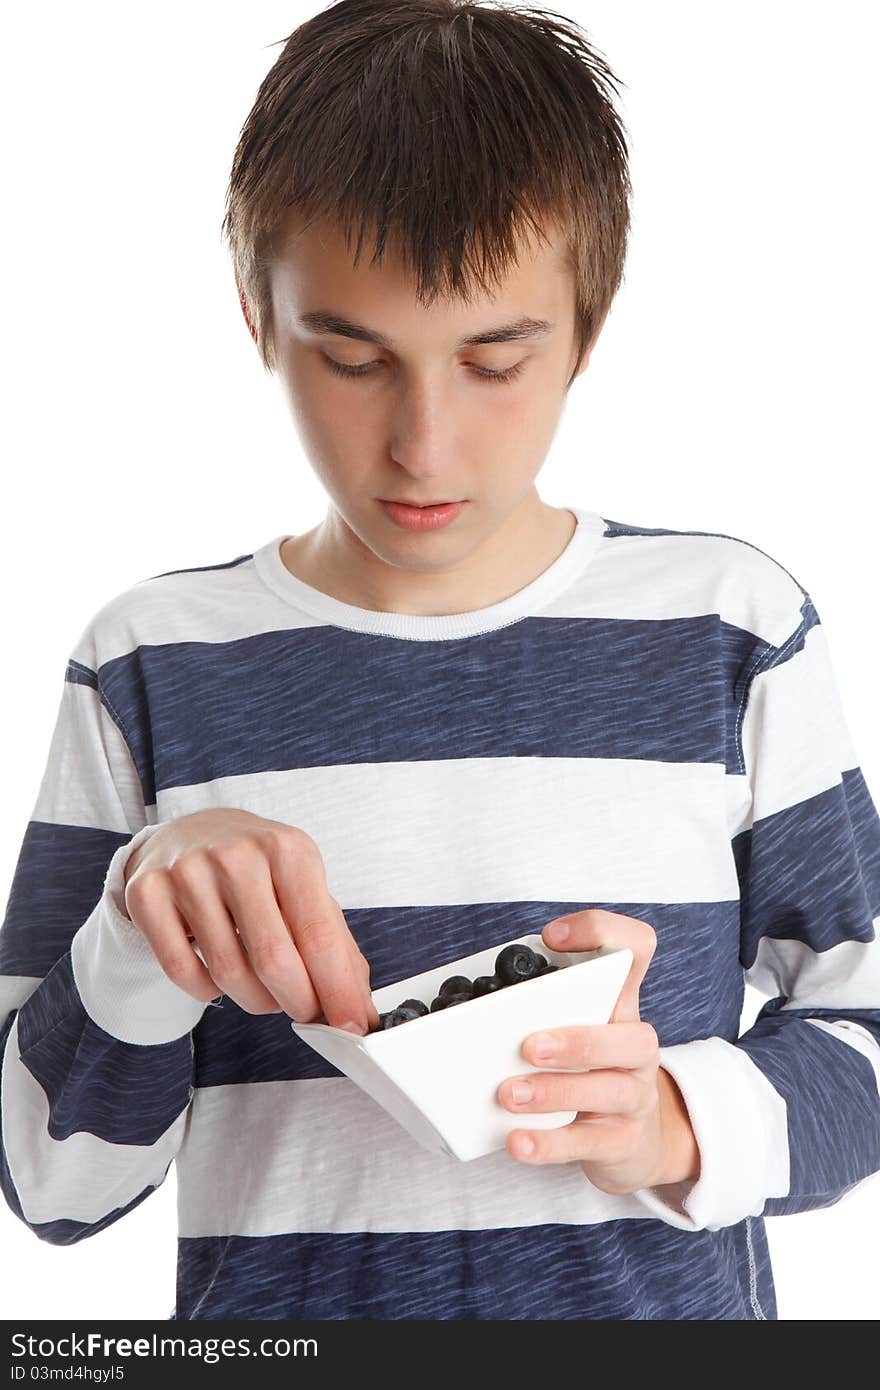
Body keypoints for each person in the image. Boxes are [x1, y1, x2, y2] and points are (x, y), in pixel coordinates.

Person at [1, 0, 878, 1322]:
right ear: (257, 314)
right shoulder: (149, 662)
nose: (424, 444)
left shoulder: (730, 628)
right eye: (351, 356)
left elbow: (863, 1038)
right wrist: (137, 927)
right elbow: (49, 1180)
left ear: (586, 324)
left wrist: (676, 1124)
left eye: (493, 360)